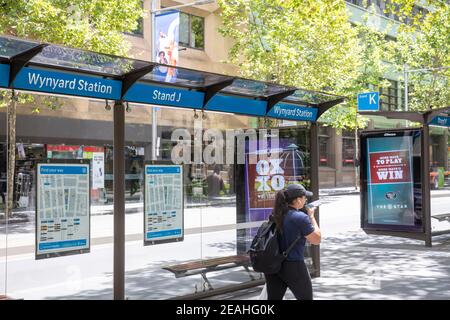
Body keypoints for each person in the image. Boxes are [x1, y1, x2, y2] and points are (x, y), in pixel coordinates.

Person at [264, 183, 321, 300]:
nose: (306, 200)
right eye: (305, 197)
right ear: (298, 200)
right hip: (294, 265)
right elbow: (316, 239)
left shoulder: (276, 214)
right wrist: (311, 217)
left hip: (274, 265)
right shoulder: (300, 217)